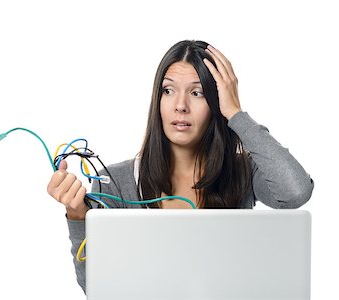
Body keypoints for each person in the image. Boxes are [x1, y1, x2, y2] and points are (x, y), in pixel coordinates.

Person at [46, 40, 314, 293]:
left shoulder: (243, 172)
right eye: (168, 90)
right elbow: (97, 287)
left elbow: (295, 192)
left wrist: (236, 114)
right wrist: (78, 215)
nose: (180, 106)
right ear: (158, 100)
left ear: (216, 102)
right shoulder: (114, 182)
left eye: (197, 93)